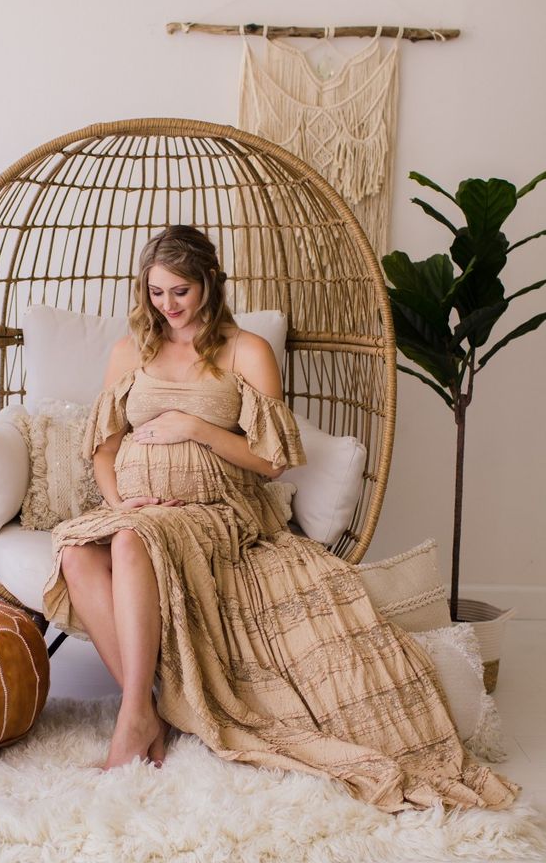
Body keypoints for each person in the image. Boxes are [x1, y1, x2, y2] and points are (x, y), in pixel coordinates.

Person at [42, 225, 520, 814]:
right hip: (138, 509)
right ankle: (151, 710)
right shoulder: (130, 351)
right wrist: (120, 504)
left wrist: (198, 429)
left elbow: (271, 462)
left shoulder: (246, 350)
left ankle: (135, 719)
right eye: (157, 293)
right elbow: (103, 449)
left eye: (181, 292)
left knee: (131, 545)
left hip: (219, 511)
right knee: (76, 550)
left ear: (211, 285)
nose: (167, 307)